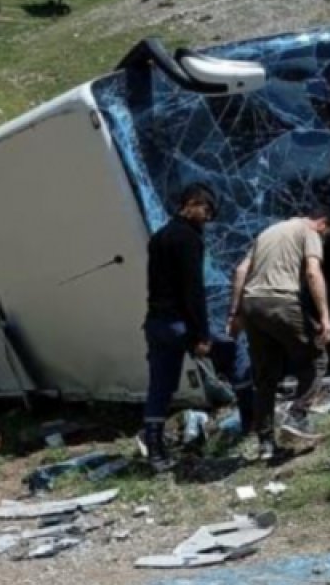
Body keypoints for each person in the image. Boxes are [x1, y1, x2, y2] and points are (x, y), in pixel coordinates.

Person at [228, 212, 330, 460]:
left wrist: (235, 314)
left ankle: (266, 444)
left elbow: (241, 271)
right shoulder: (309, 231)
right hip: (280, 301)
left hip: (252, 304)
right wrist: (325, 316)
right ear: (322, 223)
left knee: (265, 376)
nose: (323, 241)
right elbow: (312, 272)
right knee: (316, 358)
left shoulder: (267, 233)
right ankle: (297, 417)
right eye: (325, 237)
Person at [138, 183, 218, 472]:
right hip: (179, 325)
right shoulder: (188, 238)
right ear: (191, 204)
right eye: (205, 209)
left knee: (160, 387)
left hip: (155, 323)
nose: (207, 217)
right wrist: (202, 334)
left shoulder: (159, 237)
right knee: (235, 357)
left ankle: (155, 450)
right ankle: (255, 425)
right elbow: (193, 290)